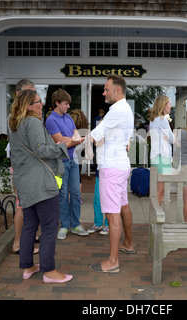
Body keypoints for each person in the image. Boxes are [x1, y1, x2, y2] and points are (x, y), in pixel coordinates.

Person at [9, 89, 73, 284]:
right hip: (40, 183)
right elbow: (42, 150)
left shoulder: (15, 123)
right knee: (49, 227)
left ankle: (27, 267)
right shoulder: (33, 122)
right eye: (37, 102)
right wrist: (67, 144)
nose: (41, 104)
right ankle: (49, 271)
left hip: (24, 182)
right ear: (28, 106)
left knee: (29, 226)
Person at [90, 74, 135, 273]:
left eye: (107, 89)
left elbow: (95, 136)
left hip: (111, 168)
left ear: (118, 90)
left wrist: (73, 138)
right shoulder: (125, 108)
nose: (104, 92)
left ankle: (113, 261)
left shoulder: (116, 110)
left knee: (111, 213)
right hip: (121, 166)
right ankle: (128, 244)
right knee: (123, 206)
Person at [45, 89, 86, 240]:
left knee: (75, 194)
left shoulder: (69, 118)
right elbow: (60, 143)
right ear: (57, 103)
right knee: (62, 195)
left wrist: (70, 140)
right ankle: (63, 226)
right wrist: (73, 140)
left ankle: (75, 224)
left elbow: (72, 139)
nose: (68, 106)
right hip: (61, 162)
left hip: (73, 160)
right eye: (65, 103)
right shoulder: (50, 120)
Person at [9, 79, 39, 254]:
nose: (33, 97)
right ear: (19, 94)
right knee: (22, 205)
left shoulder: (22, 117)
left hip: (25, 167)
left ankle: (30, 237)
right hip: (23, 168)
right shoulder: (18, 118)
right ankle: (18, 244)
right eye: (29, 93)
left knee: (29, 204)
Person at [149, 95, 174, 205]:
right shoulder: (162, 119)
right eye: (168, 103)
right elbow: (172, 139)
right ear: (163, 105)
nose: (170, 106)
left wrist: (166, 138)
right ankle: (156, 218)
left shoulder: (153, 119)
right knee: (160, 190)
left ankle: (154, 216)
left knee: (157, 190)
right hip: (162, 158)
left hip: (156, 157)